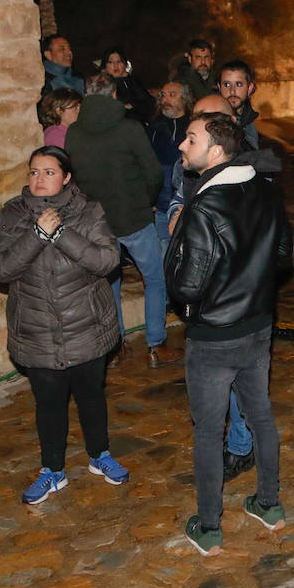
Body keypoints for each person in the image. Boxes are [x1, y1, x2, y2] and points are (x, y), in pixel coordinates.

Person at [168, 112, 293, 556]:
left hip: (214, 337)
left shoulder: (203, 207)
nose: (182, 145)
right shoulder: (266, 189)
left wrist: (174, 242)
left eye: (191, 139)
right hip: (258, 328)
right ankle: (269, 503)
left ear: (215, 151)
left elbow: (187, 285)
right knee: (260, 416)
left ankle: (209, 527)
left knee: (207, 431)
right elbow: (281, 260)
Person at [0, 146, 129, 504]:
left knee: (91, 396)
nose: (39, 179)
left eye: (49, 172)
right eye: (34, 172)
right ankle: (53, 471)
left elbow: (108, 259)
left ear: (66, 178)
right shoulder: (13, 214)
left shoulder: (88, 211)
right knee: (48, 404)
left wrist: (61, 233)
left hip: (86, 327)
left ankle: (100, 456)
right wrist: (36, 234)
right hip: (37, 330)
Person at [64, 73, 178, 367]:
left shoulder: (74, 133)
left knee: (109, 281)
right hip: (134, 217)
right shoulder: (129, 128)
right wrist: (146, 200)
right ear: (114, 95)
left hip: (97, 221)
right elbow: (152, 172)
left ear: (86, 96)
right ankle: (156, 341)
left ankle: (116, 344)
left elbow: (74, 176)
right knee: (153, 278)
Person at [146, 81, 191, 246]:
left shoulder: (194, 127)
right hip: (162, 207)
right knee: (165, 252)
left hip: (187, 206)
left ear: (185, 99)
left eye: (172, 95)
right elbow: (147, 166)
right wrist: (151, 199)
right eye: (163, 95)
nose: (166, 100)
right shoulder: (153, 128)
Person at [97, 47, 157, 122]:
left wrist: (132, 105)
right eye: (110, 62)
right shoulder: (99, 84)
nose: (115, 66)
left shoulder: (132, 81)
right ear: (105, 65)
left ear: (125, 64)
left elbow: (149, 104)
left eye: (119, 61)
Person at [218, 59, 262, 150]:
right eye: (226, 84)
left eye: (238, 84)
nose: (232, 91)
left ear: (249, 88)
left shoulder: (249, 122)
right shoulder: (212, 123)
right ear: (219, 87)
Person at [176, 38, 218, 102]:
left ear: (212, 60)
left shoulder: (219, 79)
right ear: (190, 59)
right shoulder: (180, 81)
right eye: (198, 57)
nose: (203, 62)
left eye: (206, 57)